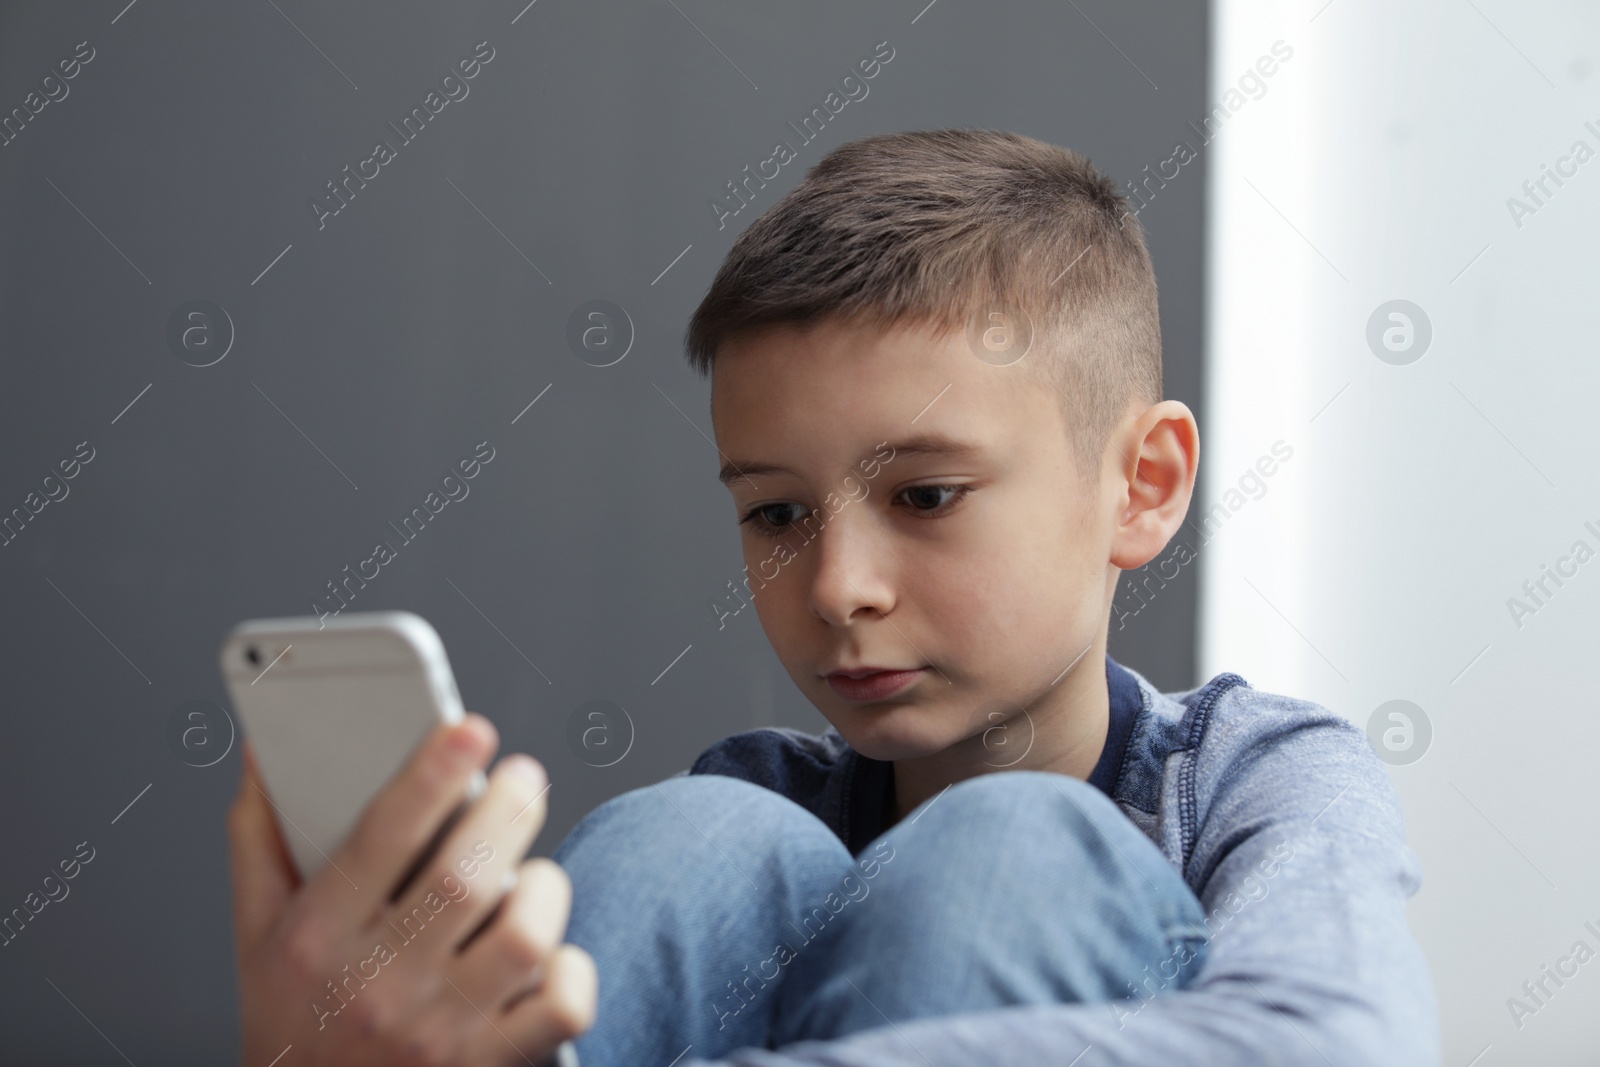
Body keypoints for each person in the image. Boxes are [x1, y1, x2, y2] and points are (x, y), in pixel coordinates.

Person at [228, 128, 1439, 1066]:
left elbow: (1338, 1043)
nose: (837, 586)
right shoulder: (751, 810)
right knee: (689, 836)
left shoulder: (1252, 770)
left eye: (924, 496)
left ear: (1141, 483)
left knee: (1008, 842)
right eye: (776, 513)